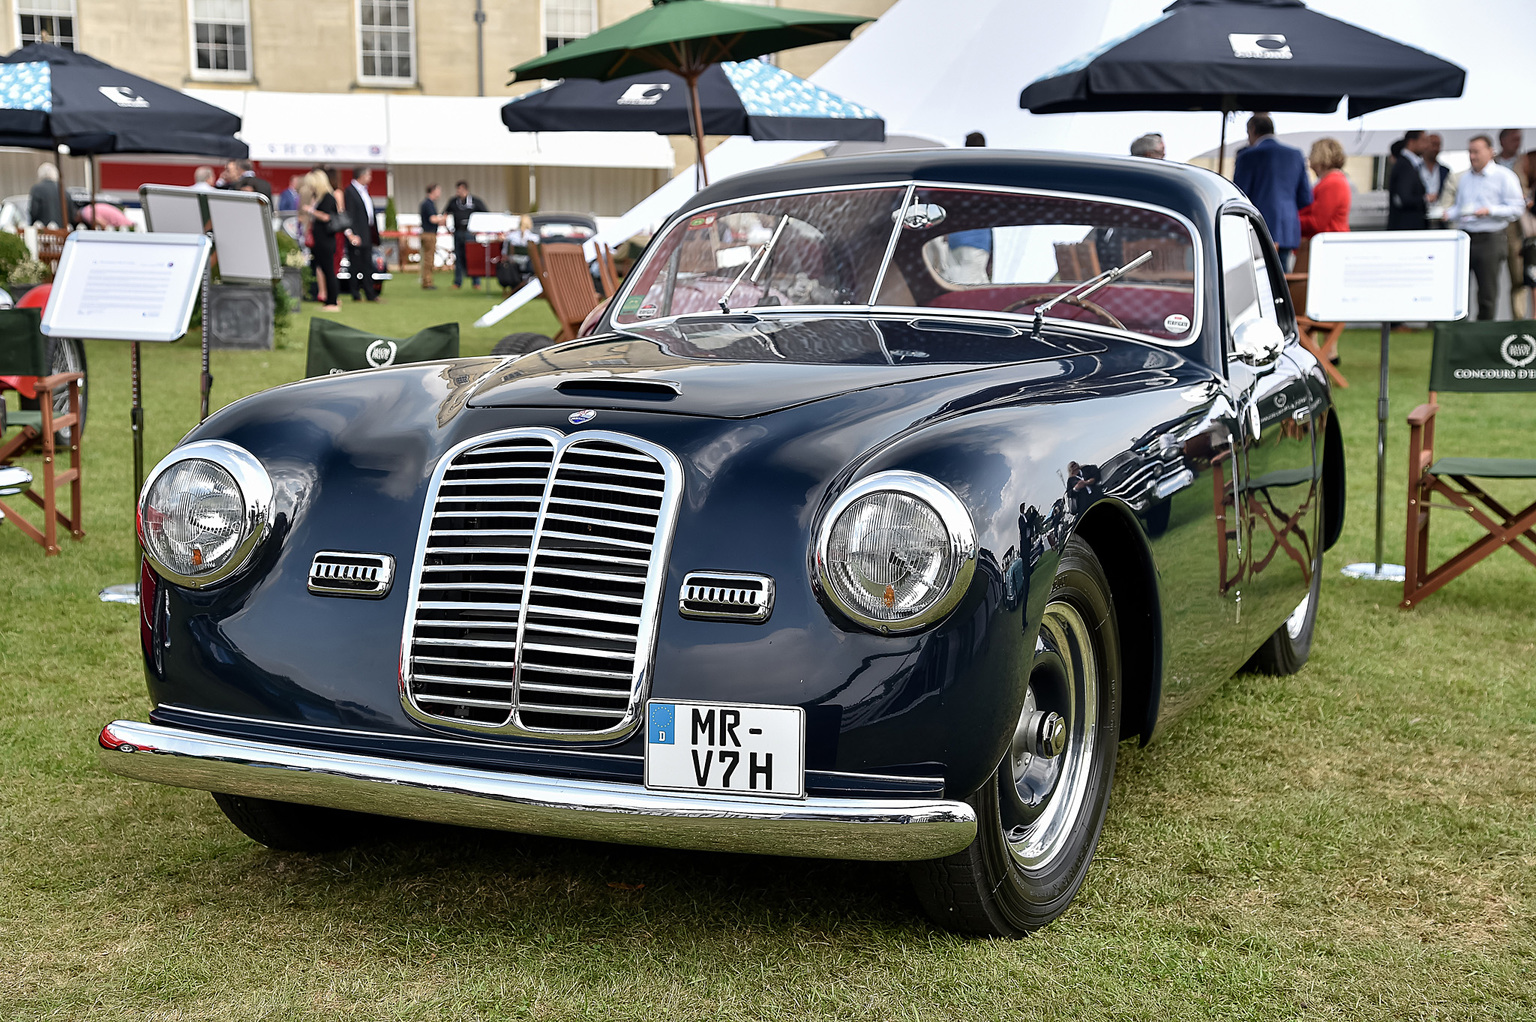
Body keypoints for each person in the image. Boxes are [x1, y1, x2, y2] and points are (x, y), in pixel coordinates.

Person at [1442, 135, 1526, 320]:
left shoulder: (1504, 177)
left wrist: (1491, 210)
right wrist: (1449, 213)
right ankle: (1460, 327)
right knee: (1460, 287)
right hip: (1466, 236)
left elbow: (1517, 208)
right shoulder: (1464, 178)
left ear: (1490, 152)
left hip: (1491, 237)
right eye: (1470, 152)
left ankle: (1483, 329)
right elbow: (1462, 207)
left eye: (1476, 152)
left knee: (1487, 290)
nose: (1472, 156)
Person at [1232, 114, 1312, 265]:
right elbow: (1305, 198)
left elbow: (1239, 196)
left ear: (1252, 129)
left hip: (1257, 228)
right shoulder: (1296, 155)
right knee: (1282, 281)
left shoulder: (1247, 156)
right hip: (1287, 229)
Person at [302, 168, 342, 311]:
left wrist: (311, 211)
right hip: (320, 240)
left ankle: (333, 301)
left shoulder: (328, 198)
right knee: (323, 270)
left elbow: (327, 217)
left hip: (326, 240)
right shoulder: (319, 198)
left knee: (329, 270)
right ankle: (328, 300)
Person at [1299, 138, 1351, 242]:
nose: (1309, 157)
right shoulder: (1333, 180)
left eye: (1312, 152)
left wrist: (1290, 220)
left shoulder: (1333, 182)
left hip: (1330, 244)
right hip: (1330, 242)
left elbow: (1316, 222)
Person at [343, 167, 380, 302]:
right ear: (362, 175)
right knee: (355, 265)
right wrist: (352, 234)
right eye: (368, 175)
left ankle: (370, 293)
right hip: (357, 234)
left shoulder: (364, 191)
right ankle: (355, 293)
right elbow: (350, 214)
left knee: (367, 264)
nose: (370, 178)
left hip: (367, 232)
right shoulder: (350, 191)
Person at [445, 180, 488, 289]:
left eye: (460, 189)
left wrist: (479, 228)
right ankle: (457, 282)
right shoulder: (453, 202)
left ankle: (476, 282)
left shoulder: (475, 201)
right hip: (458, 232)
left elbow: (486, 215)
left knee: (472, 257)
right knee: (458, 257)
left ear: (466, 190)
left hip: (470, 233)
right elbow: (445, 214)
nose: (458, 192)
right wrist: (448, 227)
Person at [1387, 131, 1430, 230]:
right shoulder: (1405, 165)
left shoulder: (1409, 164)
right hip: (1406, 227)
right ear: (1411, 142)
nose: (1427, 145)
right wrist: (1425, 198)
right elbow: (1404, 198)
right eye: (1423, 141)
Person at [418, 183, 446, 290]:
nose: (439, 193)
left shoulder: (428, 203)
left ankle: (427, 280)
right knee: (429, 259)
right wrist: (442, 218)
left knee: (428, 258)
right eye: (438, 190)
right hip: (429, 234)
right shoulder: (428, 204)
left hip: (428, 233)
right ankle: (427, 282)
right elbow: (432, 219)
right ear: (433, 191)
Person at [27, 163, 70, 227]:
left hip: (44, 232)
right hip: (63, 231)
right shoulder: (63, 190)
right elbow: (70, 212)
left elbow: (34, 212)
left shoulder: (37, 189)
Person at [1422, 134, 1451, 205]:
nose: (1435, 149)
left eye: (1438, 145)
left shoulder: (1445, 171)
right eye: (1433, 144)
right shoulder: (1416, 169)